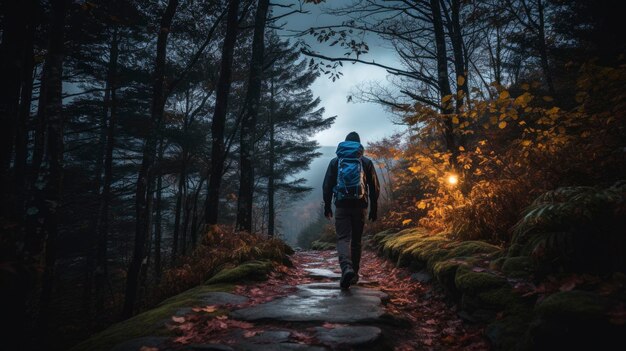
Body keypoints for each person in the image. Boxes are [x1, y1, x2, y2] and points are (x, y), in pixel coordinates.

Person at [323, 131, 380, 289]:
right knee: (356, 241)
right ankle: (354, 273)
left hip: (341, 205)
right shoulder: (366, 162)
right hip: (360, 205)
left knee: (343, 239)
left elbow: (327, 185)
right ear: (359, 146)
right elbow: (375, 188)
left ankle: (346, 268)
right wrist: (374, 208)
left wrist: (327, 206)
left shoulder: (336, 162)